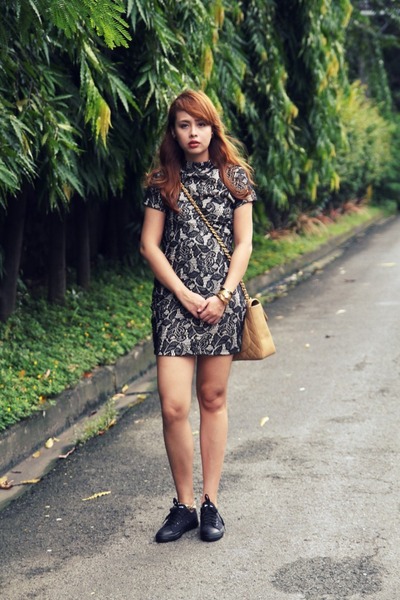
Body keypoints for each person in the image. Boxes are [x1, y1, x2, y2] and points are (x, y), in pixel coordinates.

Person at [140, 89, 256, 543]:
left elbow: (244, 243)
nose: (193, 133)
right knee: (173, 406)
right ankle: (183, 505)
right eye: (184, 125)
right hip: (174, 303)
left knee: (212, 399)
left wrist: (223, 296)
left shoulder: (236, 177)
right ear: (174, 130)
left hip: (220, 304)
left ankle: (211, 503)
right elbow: (149, 245)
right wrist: (185, 293)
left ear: (213, 127)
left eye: (201, 124)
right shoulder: (161, 180)